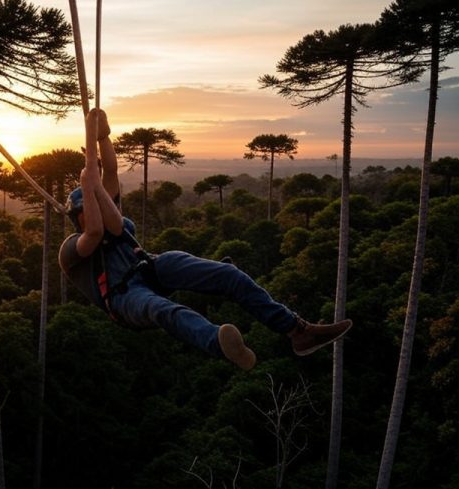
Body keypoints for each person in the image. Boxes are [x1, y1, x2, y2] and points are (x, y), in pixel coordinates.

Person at [58, 108, 352, 370]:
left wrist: (103, 136)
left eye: (97, 202)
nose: (96, 208)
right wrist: (89, 180)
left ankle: (298, 331)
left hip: (149, 267)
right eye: (89, 207)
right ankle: (219, 342)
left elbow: (109, 172)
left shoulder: (113, 219)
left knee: (226, 274)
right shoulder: (71, 249)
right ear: (79, 216)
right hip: (124, 299)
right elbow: (95, 230)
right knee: (163, 310)